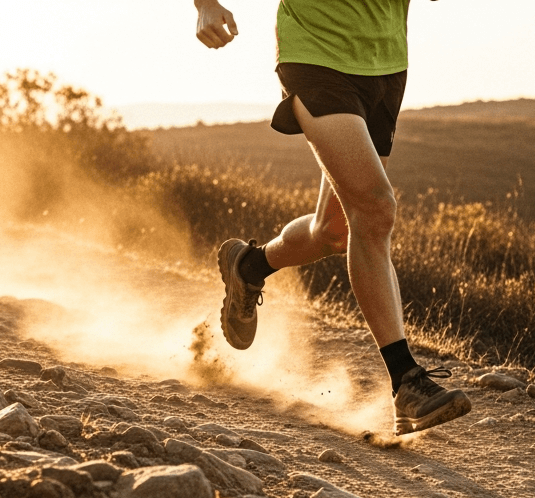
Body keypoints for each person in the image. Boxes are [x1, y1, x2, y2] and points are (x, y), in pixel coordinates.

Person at [193, 0, 472, 436]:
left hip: (384, 63)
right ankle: (406, 382)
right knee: (375, 208)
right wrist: (206, 4)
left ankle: (249, 265)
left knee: (333, 230)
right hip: (316, 54)